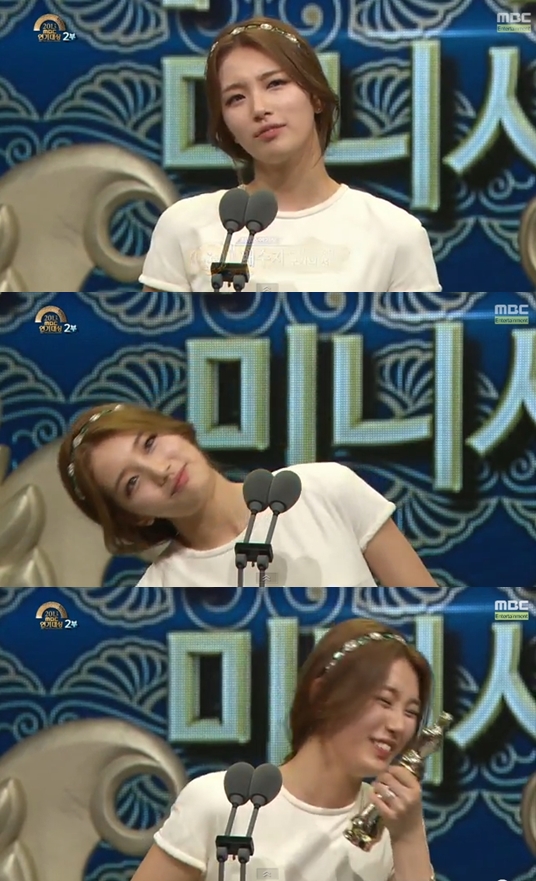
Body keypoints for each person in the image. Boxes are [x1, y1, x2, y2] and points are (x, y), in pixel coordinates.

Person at [139, 16, 441, 294]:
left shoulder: (395, 234)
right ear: (227, 126)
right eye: (236, 98)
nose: (259, 109)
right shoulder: (184, 226)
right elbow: (157, 334)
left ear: (315, 96)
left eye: (275, 84)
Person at [130, 618, 438, 881]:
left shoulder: (389, 824)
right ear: (323, 692)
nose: (398, 725)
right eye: (384, 701)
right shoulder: (222, 802)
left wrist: (408, 837)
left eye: (411, 712)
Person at [57, 403, 438, 587]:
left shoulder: (326, 487)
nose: (161, 470)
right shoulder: (159, 591)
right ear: (134, 515)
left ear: (176, 431)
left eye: (150, 443)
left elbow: (428, 612)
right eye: (132, 483)